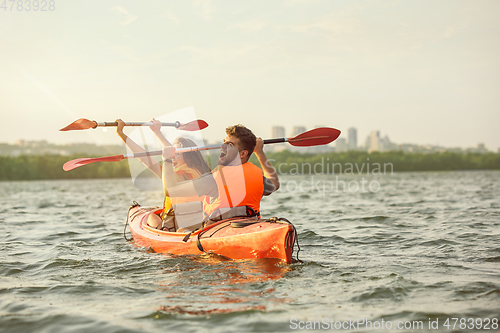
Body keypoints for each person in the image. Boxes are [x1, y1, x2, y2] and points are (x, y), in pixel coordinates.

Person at [161, 124, 280, 220]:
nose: (222, 146)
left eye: (229, 144)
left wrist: (166, 159)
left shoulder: (213, 180)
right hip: (248, 226)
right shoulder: (258, 177)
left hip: (217, 231)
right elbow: (275, 184)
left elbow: (170, 190)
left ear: (242, 154)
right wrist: (260, 153)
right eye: (224, 141)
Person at [115, 119, 210, 230]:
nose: (173, 157)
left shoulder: (172, 177)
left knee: (151, 217)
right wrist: (157, 132)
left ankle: (163, 229)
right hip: (200, 223)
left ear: (188, 157)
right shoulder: (205, 173)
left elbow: (144, 158)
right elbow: (173, 151)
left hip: (176, 224)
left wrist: (121, 134)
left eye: (177, 155)